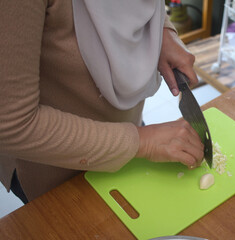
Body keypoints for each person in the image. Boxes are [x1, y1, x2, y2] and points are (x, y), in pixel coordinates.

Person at [0, 0, 204, 203]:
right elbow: (13, 126)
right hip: (54, 168)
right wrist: (143, 142)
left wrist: (162, 30)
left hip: (128, 137)